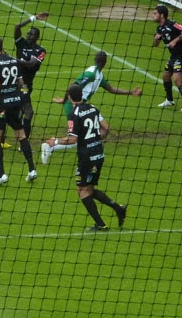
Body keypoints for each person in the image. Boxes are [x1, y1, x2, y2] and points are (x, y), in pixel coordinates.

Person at [49, 83, 127, 231]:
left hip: (86, 158)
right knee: (89, 189)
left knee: (82, 191)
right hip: (98, 154)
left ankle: (101, 225)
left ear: (70, 97)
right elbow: (106, 128)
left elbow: (72, 139)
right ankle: (118, 208)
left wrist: (55, 142)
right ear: (82, 95)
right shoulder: (93, 108)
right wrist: (98, 140)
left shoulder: (74, 114)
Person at [42, 51, 143, 164]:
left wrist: (130, 92)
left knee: (105, 129)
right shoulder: (90, 74)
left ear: (95, 59)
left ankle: (88, 145)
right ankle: (50, 145)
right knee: (75, 139)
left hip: (85, 106)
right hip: (73, 106)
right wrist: (64, 100)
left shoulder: (99, 76)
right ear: (105, 63)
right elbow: (74, 85)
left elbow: (111, 89)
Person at [0, 36, 38, 186]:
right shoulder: (13, 59)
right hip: (15, 102)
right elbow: (21, 82)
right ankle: (32, 169)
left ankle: (1, 174)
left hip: (1, 104)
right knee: (21, 134)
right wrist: (20, 96)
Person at [14, 11, 49, 138]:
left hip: (27, 84)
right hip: (17, 83)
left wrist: (12, 60)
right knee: (28, 111)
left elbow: (30, 65)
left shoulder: (40, 50)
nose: (28, 35)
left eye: (31, 34)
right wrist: (33, 18)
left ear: (36, 37)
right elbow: (17, 27)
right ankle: (23, 142)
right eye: (28, 33)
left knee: (20, 110)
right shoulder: (21, 44)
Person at [152, 4, 182, 112]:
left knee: (176, 78)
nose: (153, 15)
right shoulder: (159, 28)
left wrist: (175, 40)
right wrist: (156, 39)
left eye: (155, 13)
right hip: (174, 56)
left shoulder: (172, 24)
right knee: (165, 76)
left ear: (162, 15)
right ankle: (169, 100)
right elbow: (156, 44)